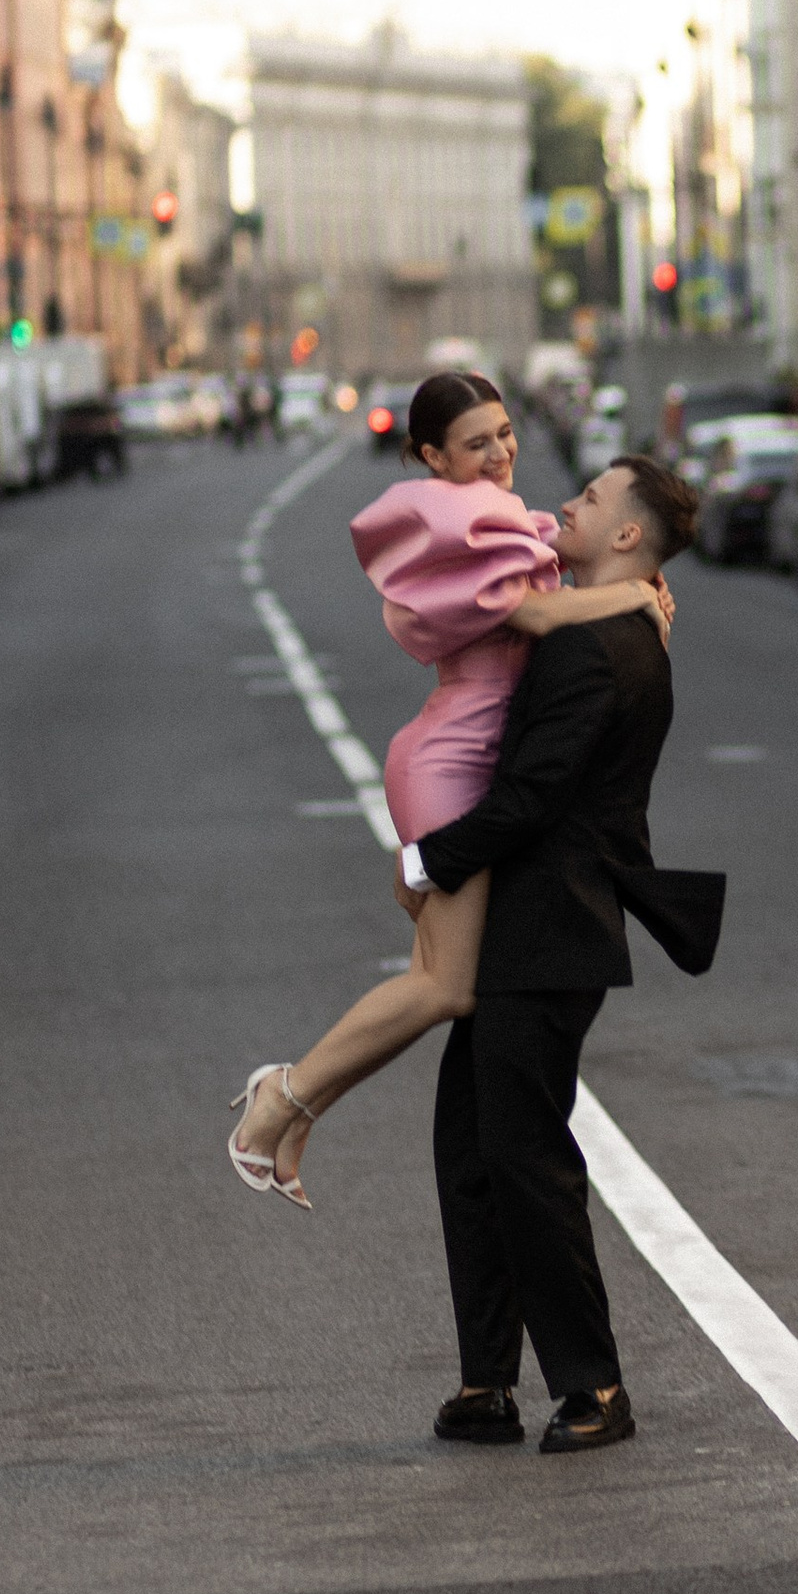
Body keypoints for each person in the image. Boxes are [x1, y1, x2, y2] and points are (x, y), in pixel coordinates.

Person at [225, 370, 669, 1208]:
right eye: (477, 444)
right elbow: (536, 620)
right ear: (431, 456)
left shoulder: (490, 515)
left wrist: (627, 600)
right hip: (450, 764)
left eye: (504, 432)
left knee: (434, 977)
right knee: (447, 985)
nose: (502, 452)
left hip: (454, 754)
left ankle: (302, 1107)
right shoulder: (458, 514)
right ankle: (277, 1097)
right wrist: (632, 595)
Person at [405, 450, 720, 1456]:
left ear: (628, 535)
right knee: (473, 1146)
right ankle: (487, 1380)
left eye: (589, 499)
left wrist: (427, 858)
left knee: (526, 1159)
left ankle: (596, 1388)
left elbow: (535, 794)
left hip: (551, 931)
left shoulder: (606, 648)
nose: (565, 504)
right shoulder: (612, 624)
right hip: (530, 930)